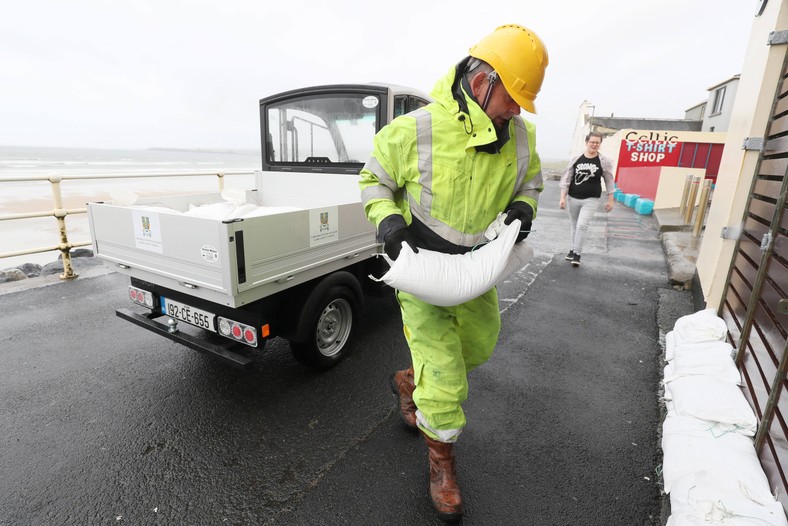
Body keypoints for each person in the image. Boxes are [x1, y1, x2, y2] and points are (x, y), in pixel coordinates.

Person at [358, 24, 548, 522]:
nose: (517, 109)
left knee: (479, 346)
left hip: (472, 270)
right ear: (483, 79)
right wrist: (389, 222)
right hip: (421, 271)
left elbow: (530, 184)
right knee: (444, 376)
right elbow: (372, 180)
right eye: (513, 97)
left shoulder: (521, 138)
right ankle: (441, 463)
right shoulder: (414, 129)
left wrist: (525, 209)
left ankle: (408, 381)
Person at [558, 131, 615, 267]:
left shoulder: (603, 161)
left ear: (600, 144)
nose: (594, 145)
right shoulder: (576, 159)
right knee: (574, 225)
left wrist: (610, 199)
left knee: (582, 226)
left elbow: (609, 180)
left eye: (597, 142)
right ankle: (572, 250)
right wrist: (562, 197)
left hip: (591, 199)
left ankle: (577, 253)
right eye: (592, 142)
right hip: (573, 197)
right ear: (587, 143)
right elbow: (567, 179)